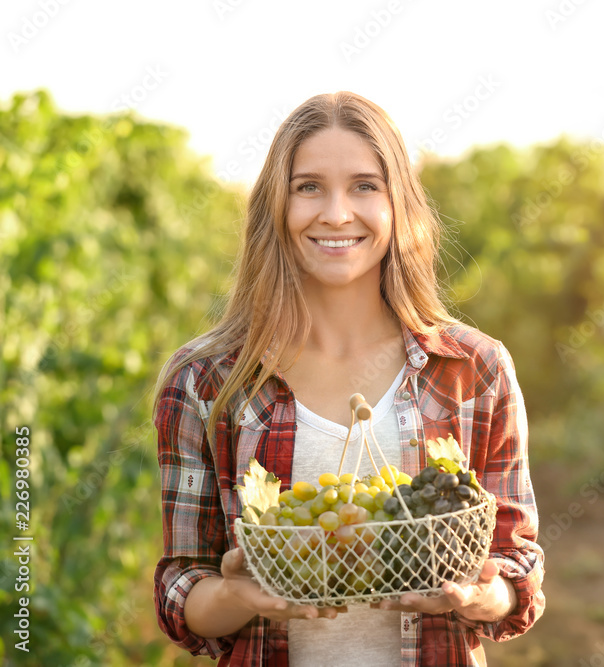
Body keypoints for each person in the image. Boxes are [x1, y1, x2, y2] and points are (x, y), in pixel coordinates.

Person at [152, 92, 545, 666]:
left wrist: (485, 595)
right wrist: (236, 594)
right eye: (308, 186)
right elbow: (181, 589)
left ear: (398, 204)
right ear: (276, 206)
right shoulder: (205, 382)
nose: (336, 213)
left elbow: (519, 567)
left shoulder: (474, 370)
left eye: (365, 185)